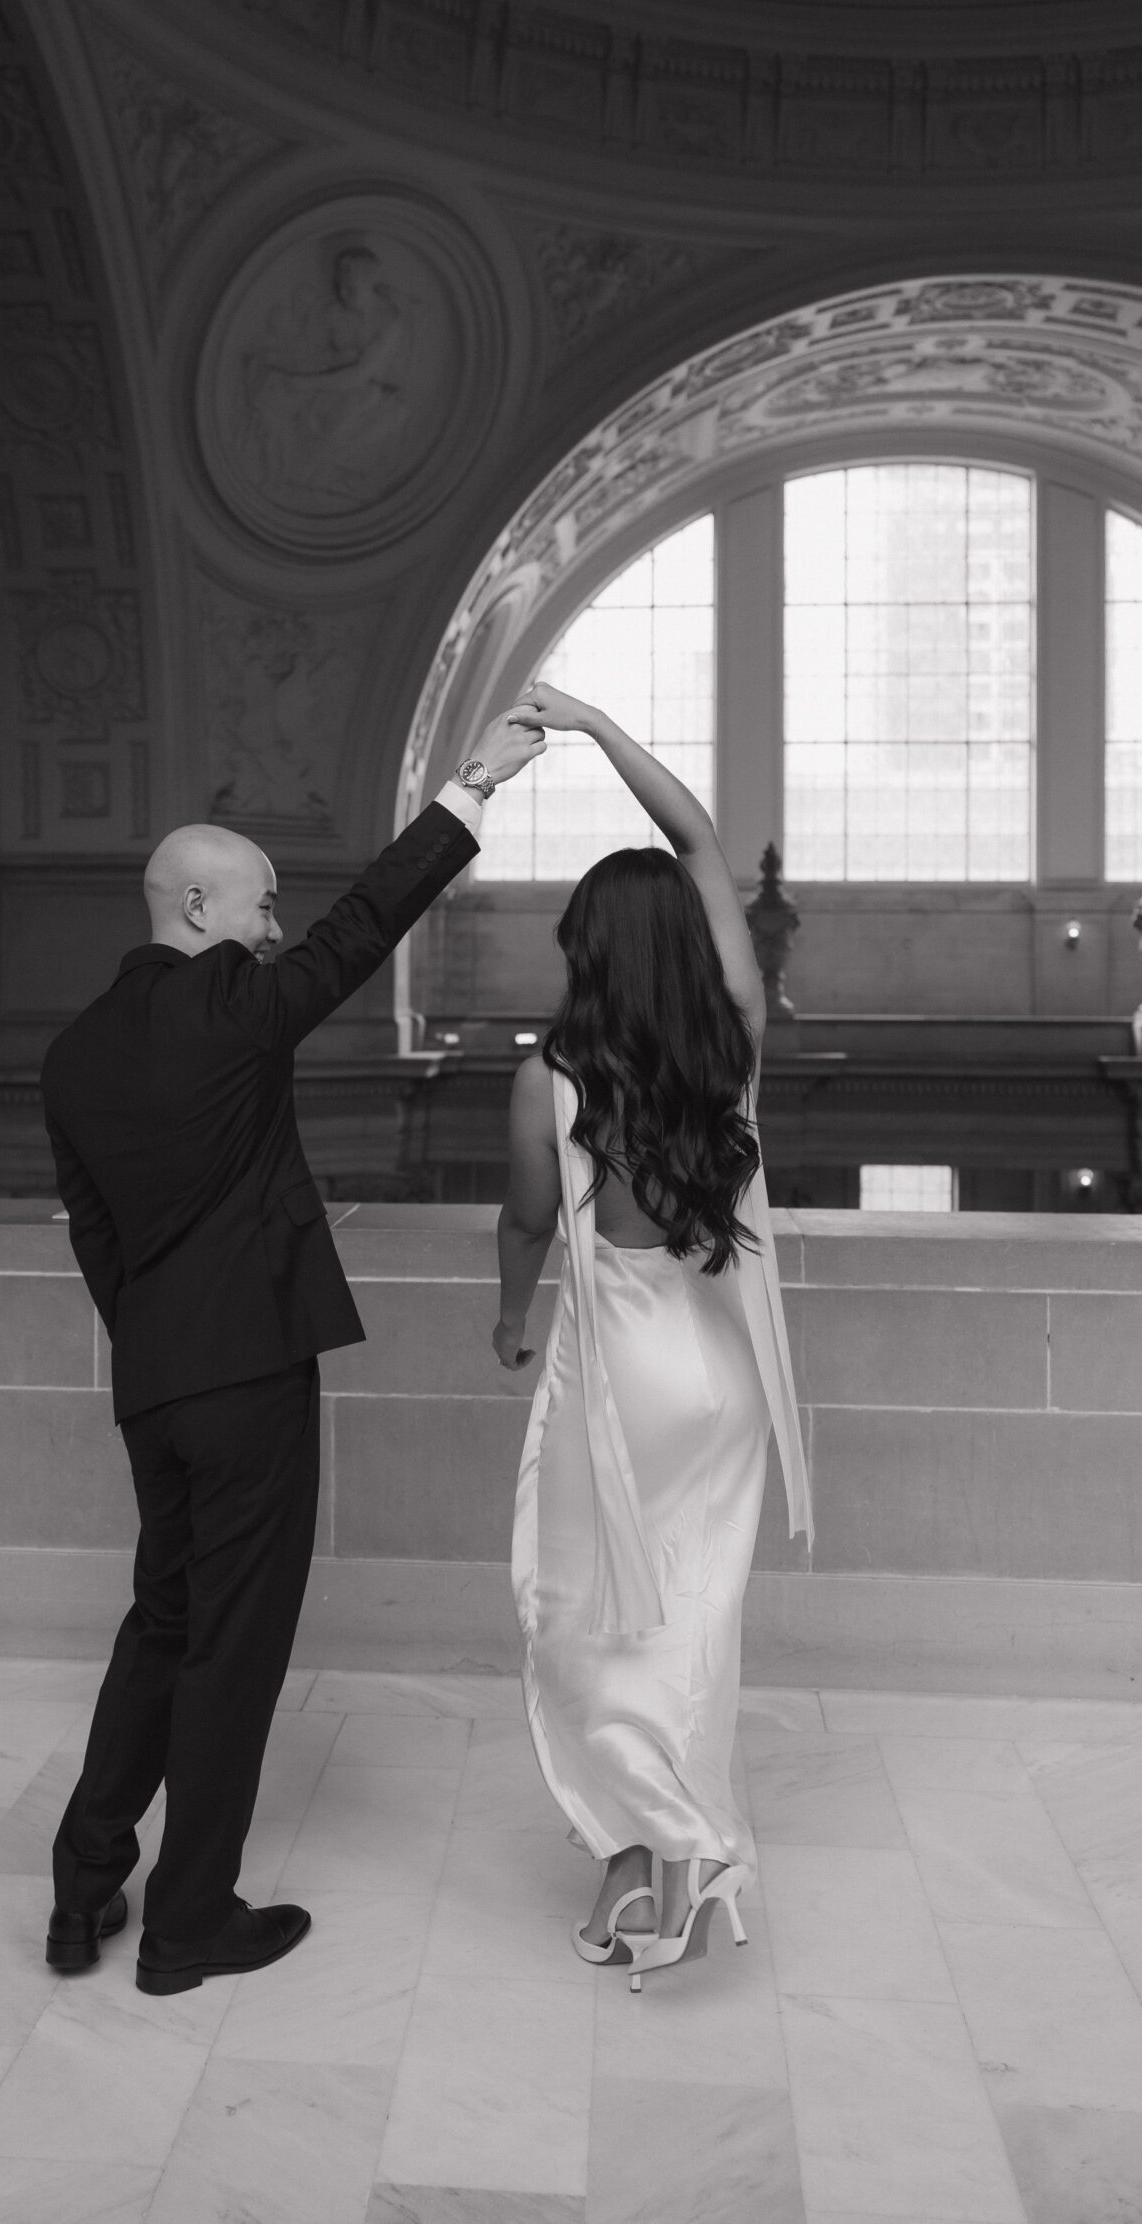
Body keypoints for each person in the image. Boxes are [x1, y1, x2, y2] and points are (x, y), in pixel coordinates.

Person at [40, 704, 543, 1997]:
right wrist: (473, 786)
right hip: (251, 1376)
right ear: (198, 907)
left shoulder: (74, 1053)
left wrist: (159, 1339)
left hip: (154, 1380)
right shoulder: (236, 1009)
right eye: (262, 906)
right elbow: (361, 928)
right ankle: (187, 1924)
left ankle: (83, 1885)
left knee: (162, 1620)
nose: (276, 931)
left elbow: (95, 1236)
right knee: (233, 1647)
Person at [493, 681, 811, 1992]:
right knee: (689, 1624)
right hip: (720, 1378)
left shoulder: (549, 1082)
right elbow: (698, 841)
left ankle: (666, 1852)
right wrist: (601, 727)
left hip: (616, 1382)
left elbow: (528, 1222)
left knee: (579, 1614)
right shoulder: (731, 1042)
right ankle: (646, 1861)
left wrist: (508, 1313)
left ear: (586, 952)